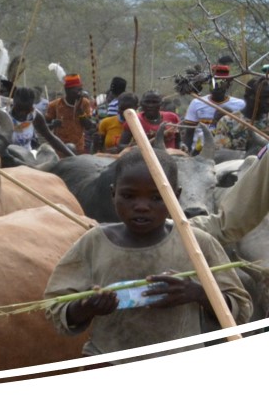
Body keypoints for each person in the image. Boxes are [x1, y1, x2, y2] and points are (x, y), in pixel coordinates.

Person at [43, 147, 250, 367]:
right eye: (129, 196)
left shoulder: (197, 243)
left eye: (156, 197)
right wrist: (88, 307)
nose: (141, 207)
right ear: (113, 194)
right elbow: (56, 307)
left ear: (175, 196)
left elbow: (240, 308)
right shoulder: (94, 242)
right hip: (107, 359)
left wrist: (197, 293)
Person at [0, 87, 73, 157]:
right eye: (19, 109)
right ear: (14, 102)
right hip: (5, 157)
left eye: (26, 110)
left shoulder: (35, 115)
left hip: (27, 157)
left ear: (32, 106)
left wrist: (72, 156)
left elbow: (50, 137)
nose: (22, 113)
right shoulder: (0, 116)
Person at [189, 65, 247, 153]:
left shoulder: (240, 105)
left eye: (221, 83)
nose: (216, 86)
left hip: (231, 153)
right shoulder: (196, 103)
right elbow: (189, 131)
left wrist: (229, 118)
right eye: (213, 83)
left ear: (228, 85)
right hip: (199, 152)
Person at [45, 73, 96, 155]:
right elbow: (45, 125)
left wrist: (80, 111)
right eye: (77, 90)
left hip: (78, 149)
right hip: (60, 149)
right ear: (67, 90)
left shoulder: (84, 103)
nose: (80, 93)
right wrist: (53, 125)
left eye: (81, 90)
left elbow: (88, 126)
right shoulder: (55, 105)